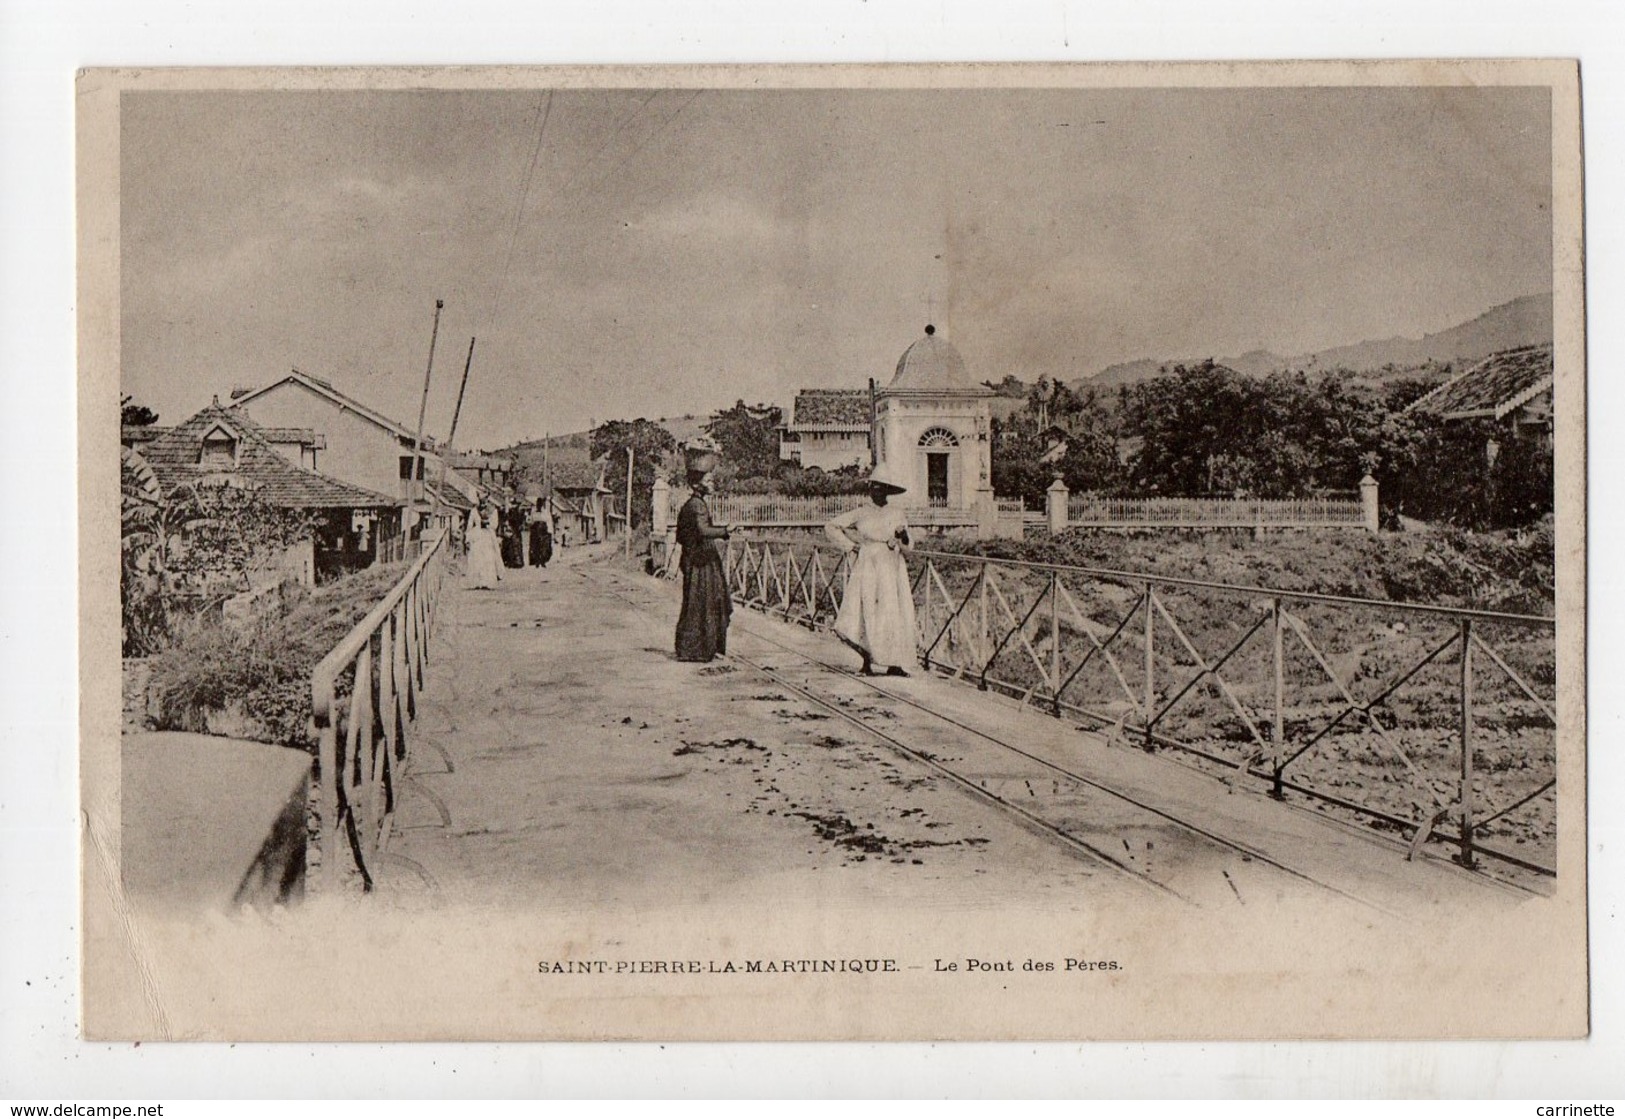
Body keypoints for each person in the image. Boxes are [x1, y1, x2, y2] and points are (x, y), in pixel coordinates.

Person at [825, 463, 917, 676]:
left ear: (888, 490)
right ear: (869, 489)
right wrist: (850, 546)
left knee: (891, 609)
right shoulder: (861, 513)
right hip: (868, 562)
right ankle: (867, 660)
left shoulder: (896, 513)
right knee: (867, 607)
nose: (877, 491)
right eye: (874, 487)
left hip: (891, 564)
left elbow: (908, 546)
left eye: (882, 487)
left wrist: (902, 535)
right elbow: (831, 526)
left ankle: (895, 663)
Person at [675, 448, 732, 662]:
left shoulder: (692, 504)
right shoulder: (697, 505)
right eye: (709, 479)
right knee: (706, 603)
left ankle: (699, 648)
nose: (712, 482)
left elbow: (686, 534)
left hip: (696, 558)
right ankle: (698, 650)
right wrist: (726, 531)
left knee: (700, 603)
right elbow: (702, 530)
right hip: (700, 561)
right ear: (698, 482)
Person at [467, 507, 502, 589]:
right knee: (477, 557)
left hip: (488, 535)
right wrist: (468, 538)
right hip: (477, 535)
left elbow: (495, 525)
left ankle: (488, 581)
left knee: (488, 558)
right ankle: (477, 582)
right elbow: (470, 524)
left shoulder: (493, 510)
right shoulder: (474, 511)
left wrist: (488, 523)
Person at [529, 501, 553, 568]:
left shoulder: (545, 513)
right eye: (538, 505)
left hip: (543, 532)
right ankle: (537, 561)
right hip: (536, 532)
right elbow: (531, 521)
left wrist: (549, 531)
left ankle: (542, 561)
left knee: (543, 547)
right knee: (536, 547)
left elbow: (548, 522)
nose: (539, 507)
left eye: (540, 505)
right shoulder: (534, 513)